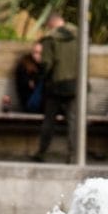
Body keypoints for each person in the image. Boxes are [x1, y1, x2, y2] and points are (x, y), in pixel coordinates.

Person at [32, 12, 78, 163]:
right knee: (73, 121)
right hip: (76, 84)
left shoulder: (50, 39)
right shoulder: (79, 34)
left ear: (50, 24)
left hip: (56, 84)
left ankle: (42, 152)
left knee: (49, 121)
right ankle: (73, 155)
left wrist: (41, 78)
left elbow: (47, 64)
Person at [14, 40, 44, 113]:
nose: (38, 56)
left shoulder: (44, 65)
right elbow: (30, 85)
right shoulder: (24, 65)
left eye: (41, 53)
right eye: (35, 52)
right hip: (30, 103)